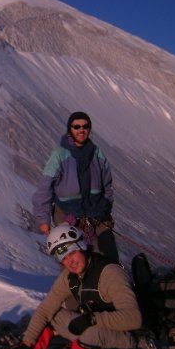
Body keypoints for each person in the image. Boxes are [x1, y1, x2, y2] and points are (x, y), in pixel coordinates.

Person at [7, 224, 146, 349]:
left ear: (81, 246)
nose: (70, 262)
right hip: (95, 330)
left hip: (124, 340)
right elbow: (45, 310)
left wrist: (92, 319)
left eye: (72, 253)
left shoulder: (110, 273)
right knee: (54, 314)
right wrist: (27, 344)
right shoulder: (70, 277)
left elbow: (134, 318)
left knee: (92, 334)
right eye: (63, 258)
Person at [32, 111, 119, 263]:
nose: (81, 130)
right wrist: (43, 219)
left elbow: (107, 185)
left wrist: (105, 210)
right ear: (70, 129)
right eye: (77, 126)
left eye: (85, 126)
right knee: (73, 261)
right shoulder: (59, 155)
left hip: (96, 216)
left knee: (108, 258)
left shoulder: (96, 153)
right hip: (68, 216)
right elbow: (44, 187)